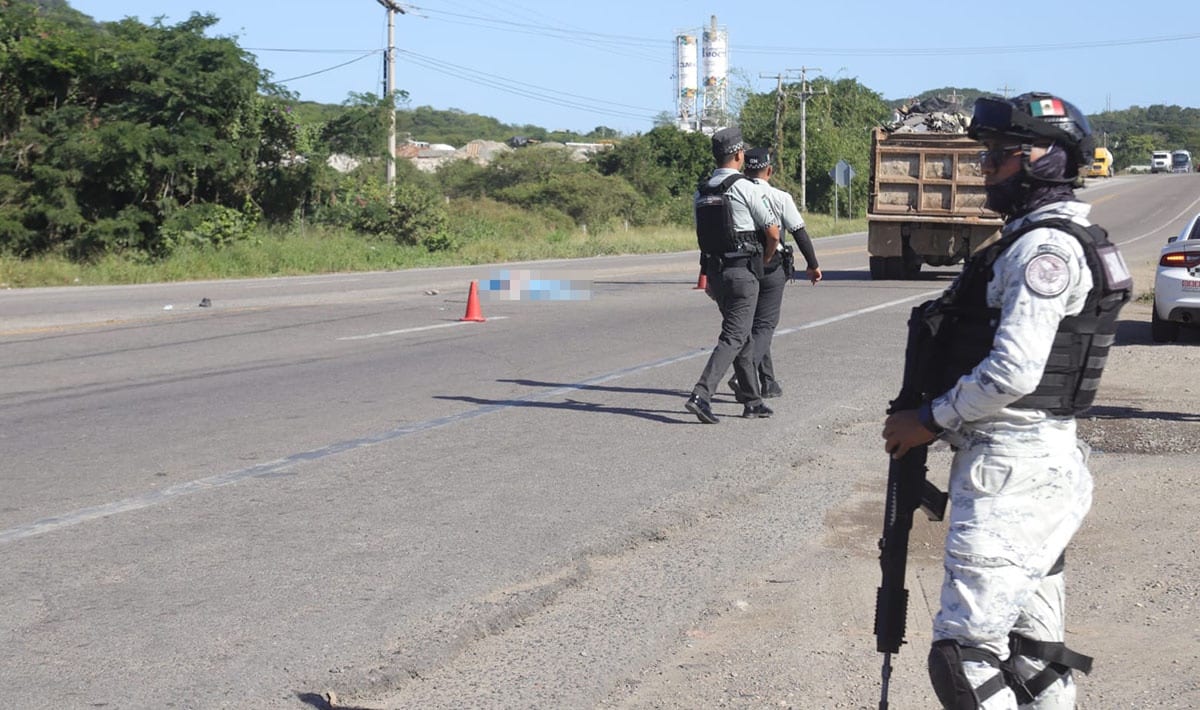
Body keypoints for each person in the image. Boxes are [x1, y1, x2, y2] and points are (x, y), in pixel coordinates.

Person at [881, 92, 1132, 709]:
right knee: (1033, 650)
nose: (985, 169)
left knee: (965, 653)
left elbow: (1014, 370)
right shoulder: (1048, 238)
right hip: (1037, 464)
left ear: (1047, 160)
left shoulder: (1042, 250)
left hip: (1011, 467)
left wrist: (928, 421)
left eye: (1000, 157)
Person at [685, 127, 781, 423]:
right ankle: (702, 393)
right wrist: (763, 262)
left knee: (743, 337)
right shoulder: (745, 187)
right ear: (740, 155)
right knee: (735, 335)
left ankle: (752, 401)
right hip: (743, 273)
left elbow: (702, 236)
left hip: (715, 274)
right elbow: (773, 233)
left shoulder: (701, 190)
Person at [728, 147, 822, 402]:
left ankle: (768, 382)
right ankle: (741, 376)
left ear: (745, 168)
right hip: (770, 267)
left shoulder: (736, 192)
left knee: (756, 327)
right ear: (769, 170)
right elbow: (799, 231)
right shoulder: (779, 196)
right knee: (765, 325)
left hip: (741, 266)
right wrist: (813, 265)